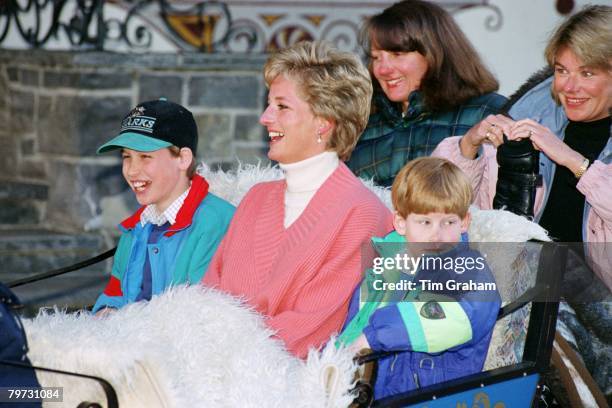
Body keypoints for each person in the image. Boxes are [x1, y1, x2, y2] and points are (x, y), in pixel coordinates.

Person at [203, 41, 394, 358]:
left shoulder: (363, 214)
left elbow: (313, 331)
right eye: (268, 105)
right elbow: (207, 297)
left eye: (281, 107)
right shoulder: (256, 198)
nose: (265, 118)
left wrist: (220, 355)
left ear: (323, 122)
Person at [432, 5, 611, 288]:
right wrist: (467, 148)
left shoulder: (546, 135)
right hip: (519, 294)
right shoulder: (527, 120)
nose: (569, 86)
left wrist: (576, 164)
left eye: (587, 74)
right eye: (562, 70)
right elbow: (439, 207)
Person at [339, 157, 501, 399]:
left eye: (449, 222)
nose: (436, 235)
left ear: (464, 222)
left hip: (433, 397)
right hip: (373, 393)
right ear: (401, 223)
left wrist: (373, 337)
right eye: (424, 222)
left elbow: (461, 316)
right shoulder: (385, 267)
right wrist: (336, 358)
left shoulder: (469, 270)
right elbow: (356, 323)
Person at [92, 98, 235, 313]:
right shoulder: (134, 229)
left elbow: (205, 314)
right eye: (126, 157)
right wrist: (106, 313)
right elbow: (114, 294)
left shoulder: (216, 223)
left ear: (183, 159)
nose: (131, 171)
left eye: (145, 157)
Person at [346, 0, 507, 187]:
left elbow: (511, 201)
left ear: (435, 53)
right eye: (376, 57)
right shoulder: (360, 125)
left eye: (397, 54)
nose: (383, 69)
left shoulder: (487, 113)